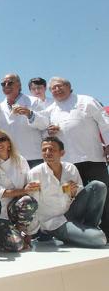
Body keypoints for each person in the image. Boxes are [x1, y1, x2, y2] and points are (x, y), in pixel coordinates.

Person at [41, 77, 109, 236]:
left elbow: (104, 122)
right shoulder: (50, 110)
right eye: (53, 88)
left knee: (104, 195)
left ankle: (107, 230)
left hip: (93, 158)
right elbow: (45, 135)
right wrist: (49, 132)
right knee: (71, 197)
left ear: (69, 87)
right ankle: (82, 230)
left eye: (60, 86)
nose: (57, 90)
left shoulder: (87, 101)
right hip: (68, 164)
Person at [27, 137, 106, 248]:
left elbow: (81, 195)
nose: (47, 153)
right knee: (99, 239)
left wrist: (74, 192)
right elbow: (33, 203)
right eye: (44, 150)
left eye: (52, 149)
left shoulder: (70, 168)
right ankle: (85, 234)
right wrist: (32, 232)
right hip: (54, 223)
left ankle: (88, 229)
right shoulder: (35, 173)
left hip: (72, 213)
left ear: (62, 153)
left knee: (98, 186)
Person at [0, 130, 38, 252]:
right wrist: (23, 190)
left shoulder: (20, 160)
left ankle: (21, 229)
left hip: (16, 208)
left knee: (29, 201)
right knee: (16, 246)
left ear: (9, 143)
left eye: (2, 139)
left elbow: (29, 181)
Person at [0, 73, 48, 168]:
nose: (6, 86)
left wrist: (30, 114)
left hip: (34, 158)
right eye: (3, 84)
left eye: (10, 83)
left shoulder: (34, 101)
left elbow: (45, 124)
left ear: (19, 85)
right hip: (10, 159)